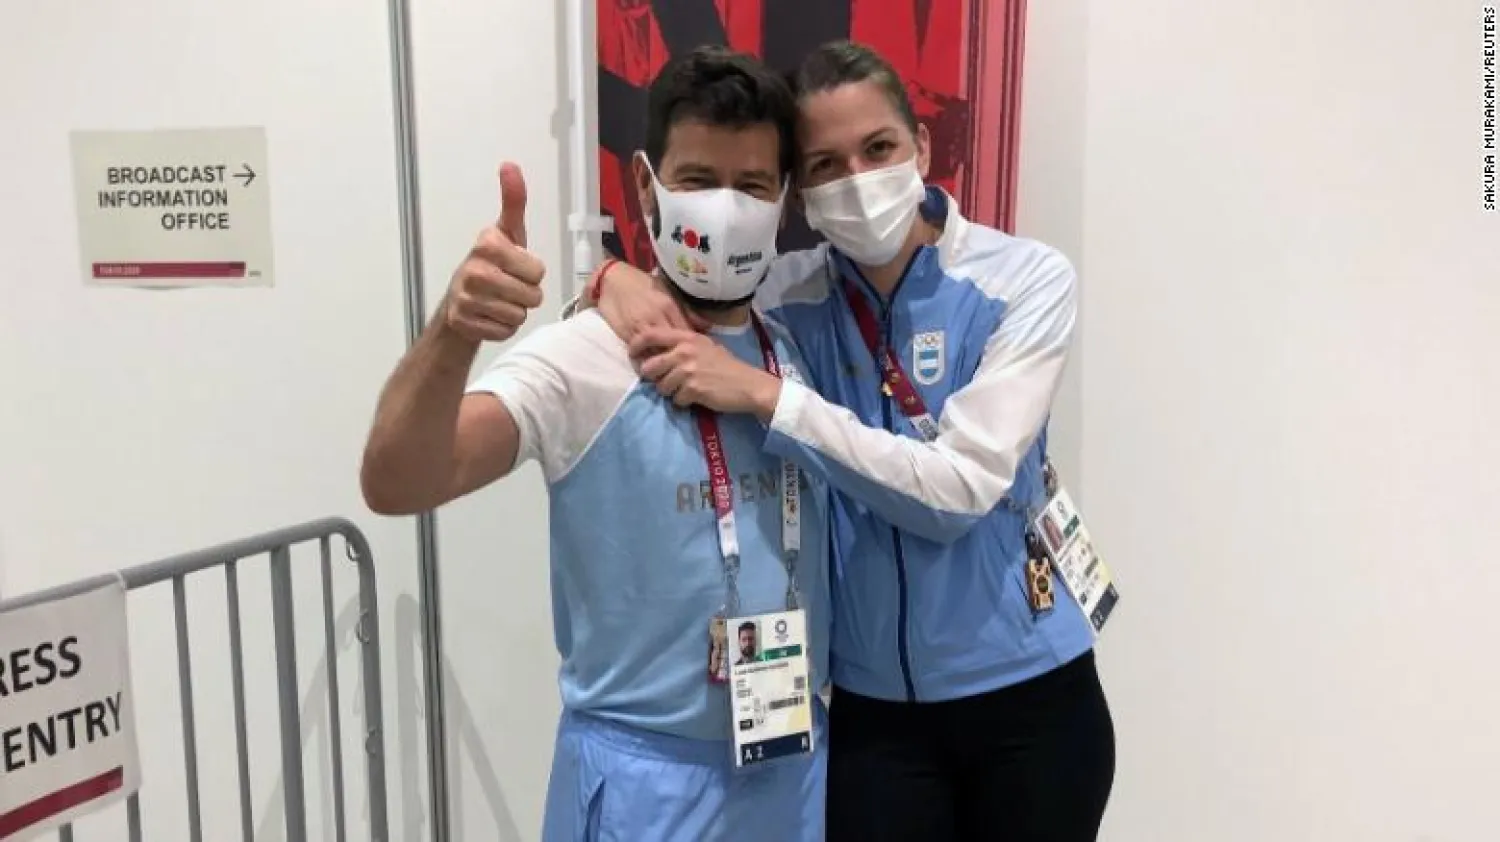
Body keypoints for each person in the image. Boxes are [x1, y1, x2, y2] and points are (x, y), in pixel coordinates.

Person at [576, 40, 1115, 842]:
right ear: (798, 190)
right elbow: (675, 295)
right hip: (874, 717)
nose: (856, 180)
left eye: (878, 149)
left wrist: (771, 399)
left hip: (1028, 699)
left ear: (921, 148)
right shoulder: (791, 291)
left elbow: (961, 490)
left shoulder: (1024, 281)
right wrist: (604, 278)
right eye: (825, 164)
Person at [360, 46, 831, 842]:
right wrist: (455, 328)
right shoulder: (582, 358)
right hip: (643, 785)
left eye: (750, 187)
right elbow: (399, 480)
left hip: (793, 765)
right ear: (646, 186)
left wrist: (607, 271)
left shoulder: (797, 356)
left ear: (782, 199)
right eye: (695, 181)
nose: (723, 209)